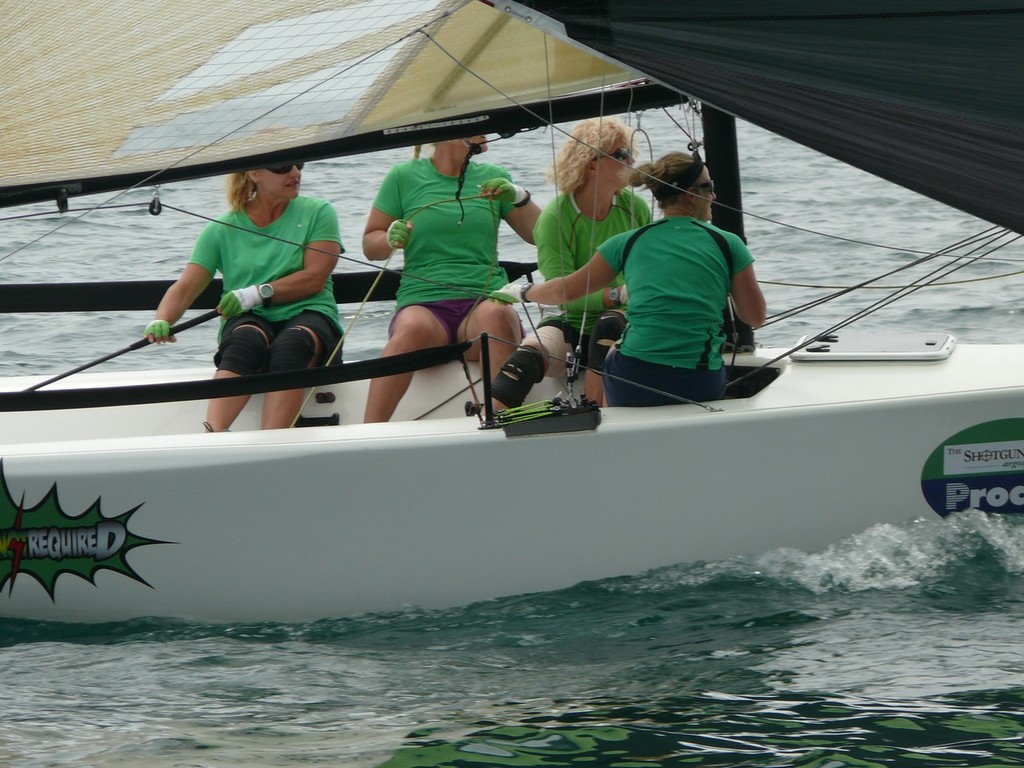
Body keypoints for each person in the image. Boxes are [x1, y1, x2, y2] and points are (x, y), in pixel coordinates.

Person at [494, 151, 765, 406]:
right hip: (698, 379)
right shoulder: (728, 244)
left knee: (614, 344)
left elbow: (563, 291)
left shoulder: (628, 241)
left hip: (634, 377)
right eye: (709, 186)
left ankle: (600, 416)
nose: (715, 195)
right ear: (691, 194)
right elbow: (755, 318)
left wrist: (523, 292)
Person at [144, 162, 343, 431]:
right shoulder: (221, 229)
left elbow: (315, 278)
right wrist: (162, 319)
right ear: (254, 173)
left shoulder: (319, 212)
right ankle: (212, 436)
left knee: (291, 346)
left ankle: (272, 443)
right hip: (250, 319)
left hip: (309, 313)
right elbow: (185, 288)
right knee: (243, 343)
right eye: (283, 167)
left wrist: (256, 293)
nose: (295, 173)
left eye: (300, 164)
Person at [362, 135, 541, 422]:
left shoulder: (495, 176)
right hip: (424, 306)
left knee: (498, 314)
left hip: (482, 305)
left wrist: (520, 196)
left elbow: (538, 236)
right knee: (410, 327)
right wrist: (389, 237)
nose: (488, 132)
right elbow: (371, 245)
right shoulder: (402, 176)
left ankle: (501, 424)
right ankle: (367, 434)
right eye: (480, 126)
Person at [490, 117, 651, 409]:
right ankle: (485, 431)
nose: (632, 159)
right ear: (592, 163)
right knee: (522, 364)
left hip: (621, 318)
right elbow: (562, 295)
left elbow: (644, 277)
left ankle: (593, 415)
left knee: (607, 328)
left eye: (630, 151)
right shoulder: (555, 218)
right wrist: (615, 293)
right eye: (621, 154)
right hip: (569, 320)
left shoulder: (635, 208)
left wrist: (621, 299)